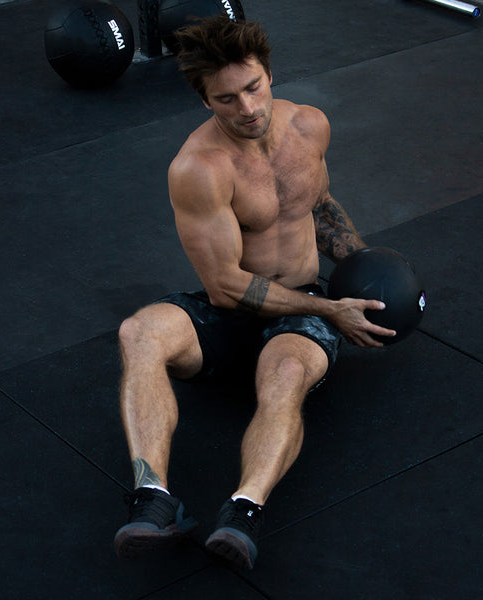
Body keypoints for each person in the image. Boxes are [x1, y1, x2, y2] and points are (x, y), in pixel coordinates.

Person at [113, 15, 395, 570]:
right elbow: (224, 286)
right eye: (225, 99)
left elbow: (319, 205)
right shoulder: (199, 168)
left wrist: (367, 271)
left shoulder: (310, 126)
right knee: (139, 331)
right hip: (236, 309)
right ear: (204, 101)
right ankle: (152, 499)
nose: (246, 109)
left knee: (286, 374)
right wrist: (330, 309)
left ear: (269, 74)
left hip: (298, 316)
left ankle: (244, 511)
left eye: (253, 87)